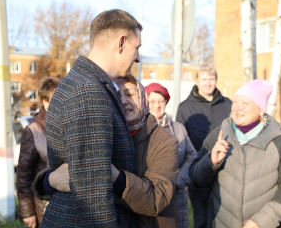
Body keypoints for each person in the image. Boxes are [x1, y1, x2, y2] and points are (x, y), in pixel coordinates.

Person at [32, 75, 180, 228]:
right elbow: (65, 172)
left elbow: (157, 198)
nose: (123, 101)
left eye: (130, 94)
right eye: (116, 95)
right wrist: (49, 181)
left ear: (142, 98)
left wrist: (114, 177)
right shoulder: (100, 133)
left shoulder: (164, 141)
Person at [39, 9, 142, 228]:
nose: (138, 57)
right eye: (137, 48)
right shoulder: (89, 90)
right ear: (121, 42)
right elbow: (93, 192)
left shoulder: (83, 81)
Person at [189, 79, 281, 228]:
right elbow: (195, 179)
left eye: (245, 103)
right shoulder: (220, 134)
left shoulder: (280, 142)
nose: (237, 108)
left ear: (261, 110)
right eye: (235, 101)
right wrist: (210, 162)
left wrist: (260, 222)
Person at [176, 64, 232, 228]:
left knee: (224, 221)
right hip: (199, 173)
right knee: (201, 221)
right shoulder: (185, 108)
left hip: (226, 173)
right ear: (197, 81)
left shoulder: (228, 104)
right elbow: (181, 143)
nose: (208, 83)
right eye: (204, 79)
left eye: (211, 79)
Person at [145, 82, 197, 228]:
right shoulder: (139, 129)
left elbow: (191, 156)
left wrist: (178, 180)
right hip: (148, 195)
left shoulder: (178, 128)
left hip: (176, 194)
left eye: (161, 101)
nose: (157, 105)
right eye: (152, 101)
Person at [17, 77, 59, 228]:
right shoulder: (32, 131)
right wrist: (28, 212)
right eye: (56, 99)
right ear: (45, 102)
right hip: (44, 208)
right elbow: (23, 175)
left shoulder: (67, 126)